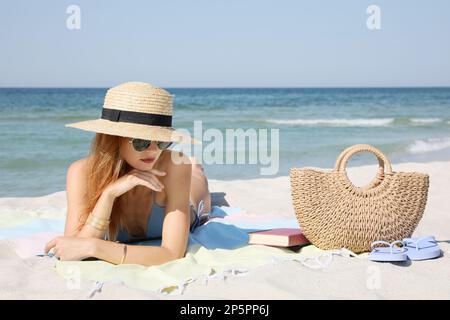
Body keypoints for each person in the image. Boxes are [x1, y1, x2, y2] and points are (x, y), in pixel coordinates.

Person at [44, 82, 211, 266]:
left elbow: (173, 254)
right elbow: (73, 247)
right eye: (142, 142)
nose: (154, 150)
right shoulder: (81, 172)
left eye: (162, 142)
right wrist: (108, 195)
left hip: (192, 201)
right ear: (113, 138)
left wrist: (95, 248)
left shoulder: (177, 165)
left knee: (198, 179)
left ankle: (197, 169)